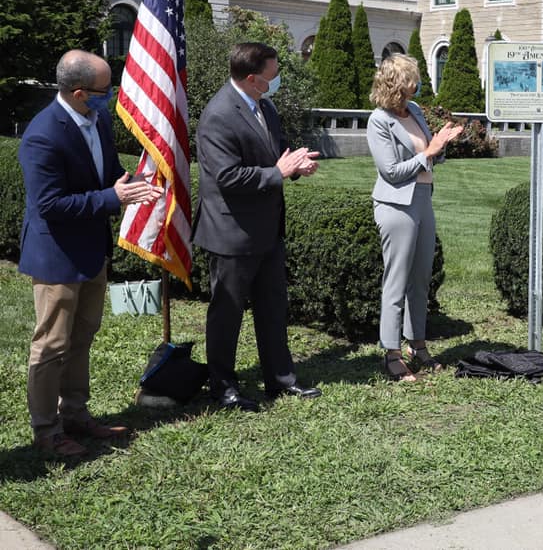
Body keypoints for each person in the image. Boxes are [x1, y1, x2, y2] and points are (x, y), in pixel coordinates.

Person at [18, 50, 163, 456]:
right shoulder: (43, 134)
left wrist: (134, 185)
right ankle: (46, 432)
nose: (111, 97)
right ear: (80, 92)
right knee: (51, 345)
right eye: (105, 90)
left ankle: (75, 414)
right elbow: (50, 205)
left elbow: (108, 176)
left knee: (82, 337)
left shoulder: (96, 121)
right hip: (57, 255)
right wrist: (111, 197)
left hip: (91, 251)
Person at [193, 42, 321, 411]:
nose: (277, 79)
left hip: (266, 229)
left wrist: (295, 167)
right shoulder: (218, 114)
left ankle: (280, 379)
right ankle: (223, 387)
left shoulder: (265, 106)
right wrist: (278, 172)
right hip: (231, 231)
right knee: (227, 312)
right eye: (272, 75)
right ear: (252, 79)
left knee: (272, 307)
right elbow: (226, 177)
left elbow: (277, 156)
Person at [366, 54, 462, 381]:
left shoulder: (416, 111)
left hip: (423, 200)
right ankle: (391, 353)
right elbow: (391, 172)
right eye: (413, 78)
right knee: (397, 280)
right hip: (396, 204)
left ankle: (417, 345)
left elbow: (431, 155)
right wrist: (430, 152)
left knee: (421, 278)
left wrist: (443, 144)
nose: (418, 83)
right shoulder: (378, 120)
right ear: (397, 82)